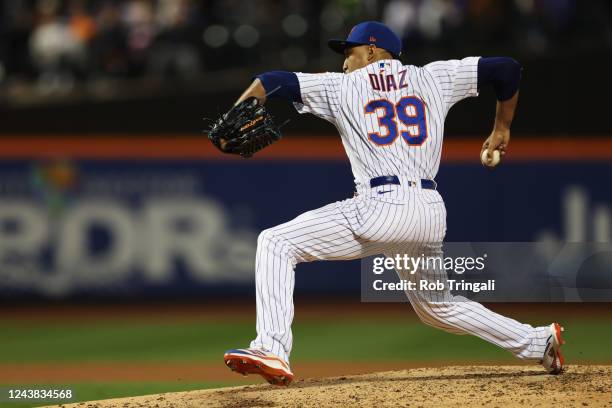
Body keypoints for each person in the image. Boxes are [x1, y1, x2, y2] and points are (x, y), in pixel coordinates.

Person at [222, 21, 565, 386]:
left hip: (380, 206)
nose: (344, 63)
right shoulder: (434, 77)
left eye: (349, 53)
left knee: (276, 243)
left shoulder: (342, 87)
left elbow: (271, 80)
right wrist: (502, 128)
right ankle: (536, 340)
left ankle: (272, 348)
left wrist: (234, 115)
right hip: (430, 210)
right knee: (438, 306)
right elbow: (508, 69)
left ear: (371, 51)